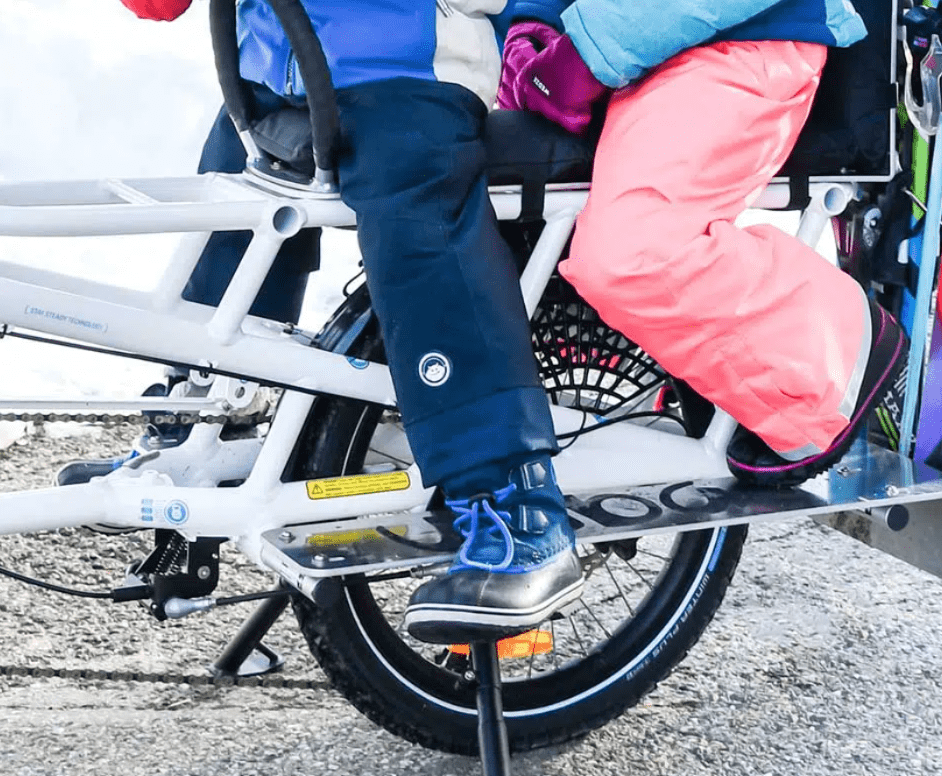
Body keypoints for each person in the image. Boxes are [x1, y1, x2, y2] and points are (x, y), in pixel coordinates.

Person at [63, 0, 588, 642]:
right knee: (229, 216)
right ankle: (206, 422)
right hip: (275, 73)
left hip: (407, 75)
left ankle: (518, 504)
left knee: (422, 237)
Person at [498, 0, 907, 487]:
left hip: (733, 34)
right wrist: (534, 20)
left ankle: (833, 349)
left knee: (631, 253)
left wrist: (585, 50)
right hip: (636, 41)